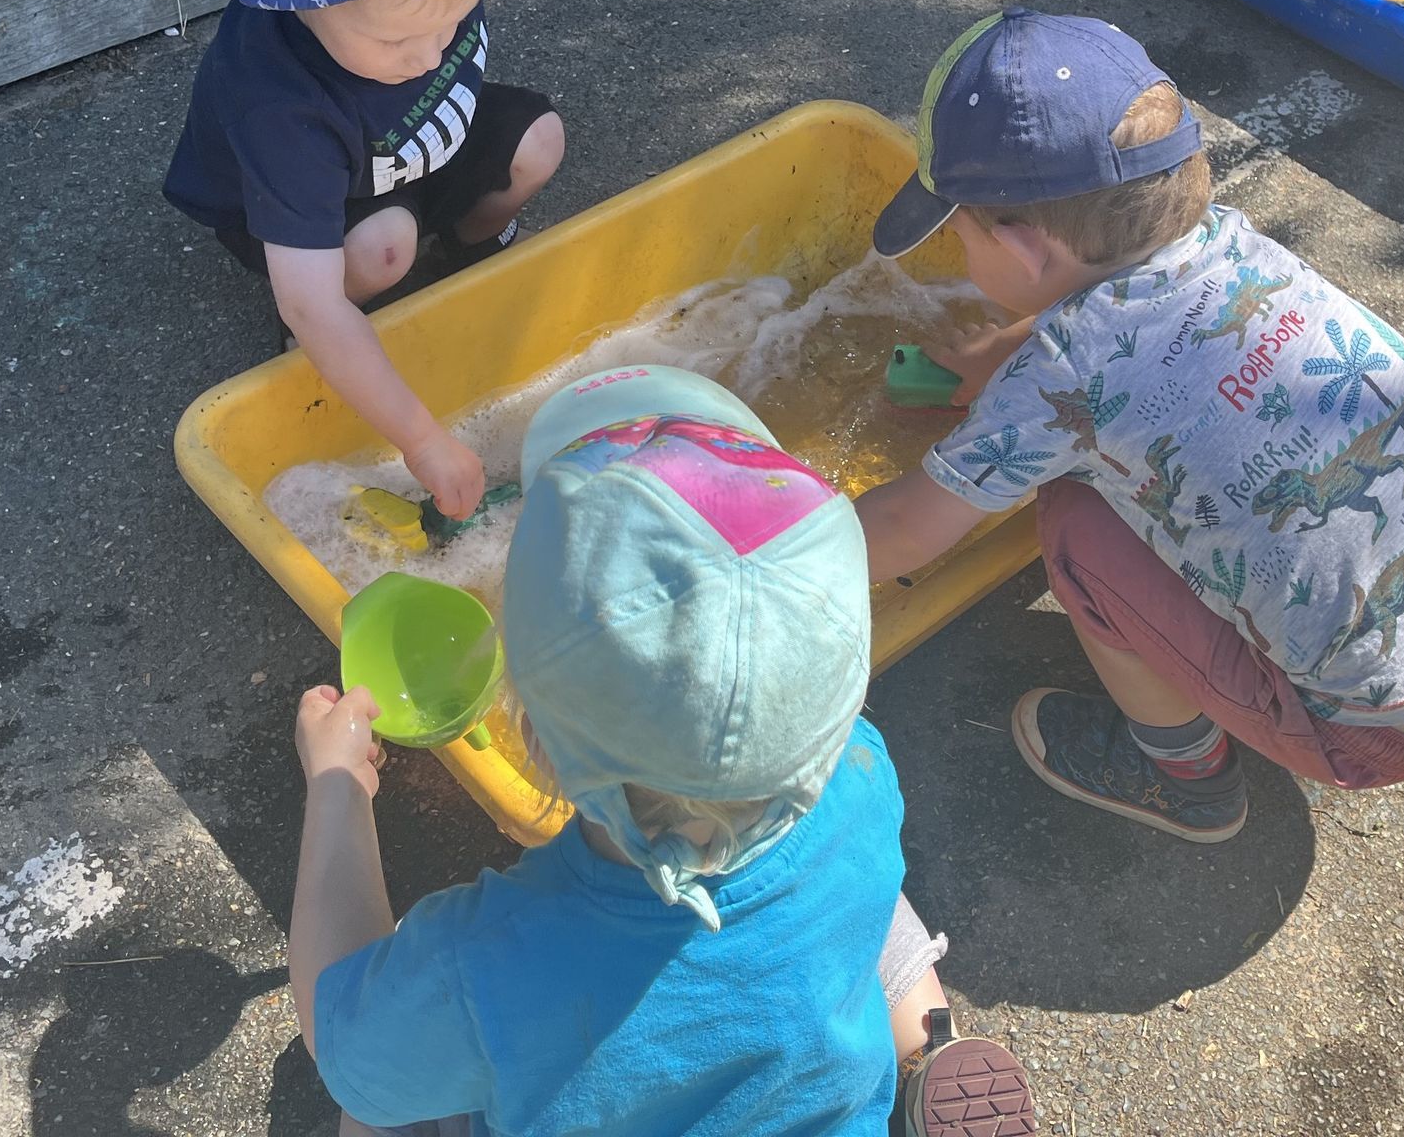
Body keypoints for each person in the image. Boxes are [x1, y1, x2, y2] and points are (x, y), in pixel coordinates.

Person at [855, 10, 1404, 841]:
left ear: (1021, 248)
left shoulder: (1064, 375)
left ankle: (1185, 777)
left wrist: (751, 546)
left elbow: (906, 531)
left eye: (959, 238)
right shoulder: (1235, 248)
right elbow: (1123, 308)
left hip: (1372, 735)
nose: (957, 258)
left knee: (1073, 526)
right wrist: (1001, 357)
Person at [287, 366, 1036, 1136]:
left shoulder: (485, 964)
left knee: (373, 1096)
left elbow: (331, 1032)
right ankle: (924, 1038)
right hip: (819, 1090)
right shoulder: (863, 772)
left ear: (535, 746)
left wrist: (338, 784)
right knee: (863, 892)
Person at [165, 0, 565, 521]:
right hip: (323, 201)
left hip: (411, 147)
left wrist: (426, 30)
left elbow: (428, 30)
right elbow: (308, 297)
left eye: (455, 19)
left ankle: (474, 246)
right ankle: (332, 348)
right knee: (383, 251)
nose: (427, 55)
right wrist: (422, 442)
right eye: (392, 43)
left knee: (539, 138)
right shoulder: (279, 104)